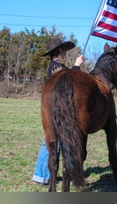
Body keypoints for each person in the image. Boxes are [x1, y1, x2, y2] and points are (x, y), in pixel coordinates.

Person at [32, 38, 84, 185]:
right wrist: (76, 66)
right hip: (57, 109)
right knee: (51, 142)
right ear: (59, 51)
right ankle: (41, 175)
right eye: (64, 50)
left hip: (56, 108)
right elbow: (67, 82)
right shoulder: (56, 67)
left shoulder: (57, 66)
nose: (65, 53)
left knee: (54, 142)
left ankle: (44, 175)